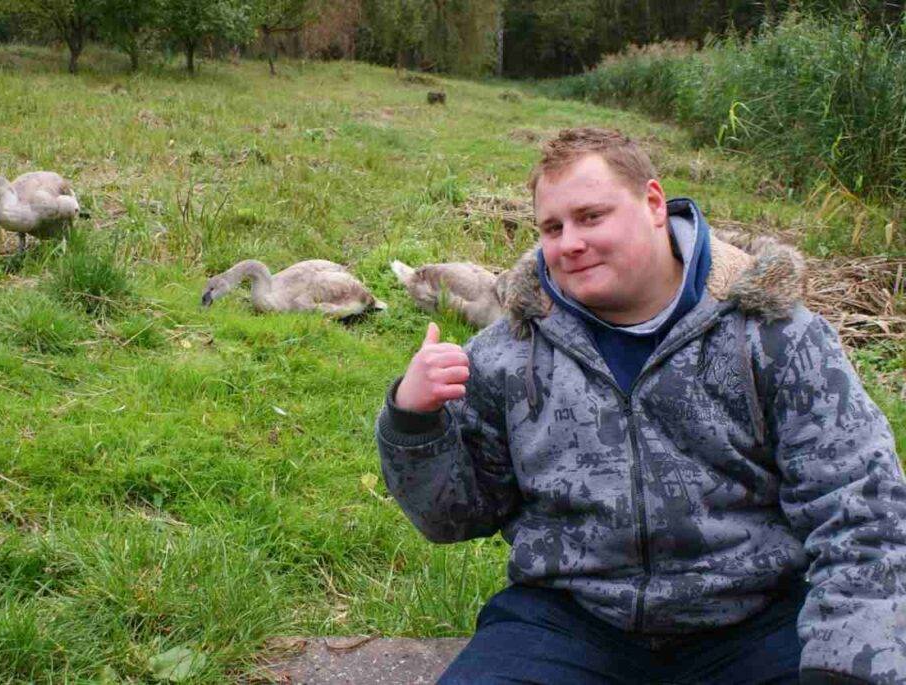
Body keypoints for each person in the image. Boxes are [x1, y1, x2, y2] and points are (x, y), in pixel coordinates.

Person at [375, 127, 906, 684]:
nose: (568, 243)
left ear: (653, 203)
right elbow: (455, 517)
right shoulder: (509, 351)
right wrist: (414, 421)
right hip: (569, 620)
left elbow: (863, 508)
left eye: (591, 217)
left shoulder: (775, 336)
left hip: (756, 618)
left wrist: (848, 667)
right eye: (552, 227)